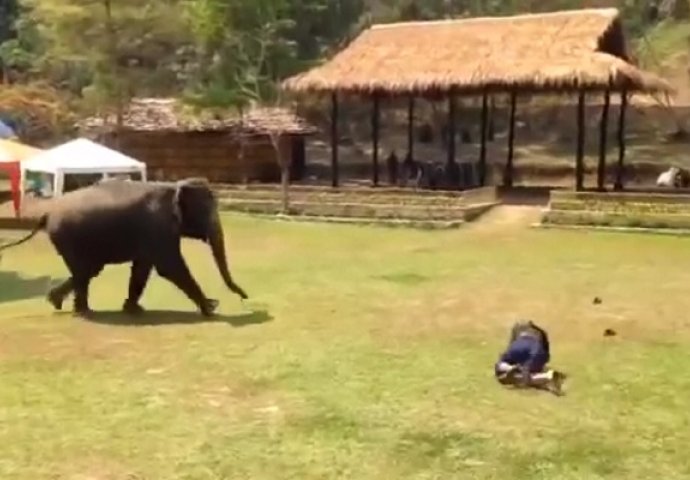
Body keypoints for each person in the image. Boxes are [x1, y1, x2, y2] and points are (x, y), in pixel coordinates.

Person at [494, 320, 567, 395]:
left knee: (501, 369)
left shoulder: (517, 329)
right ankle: (545, 376)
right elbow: (546, 351)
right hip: (537, 351)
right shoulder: (540, 332)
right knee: (527, 373)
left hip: (518, 347)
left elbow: (510, 346)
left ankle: (512, 369)